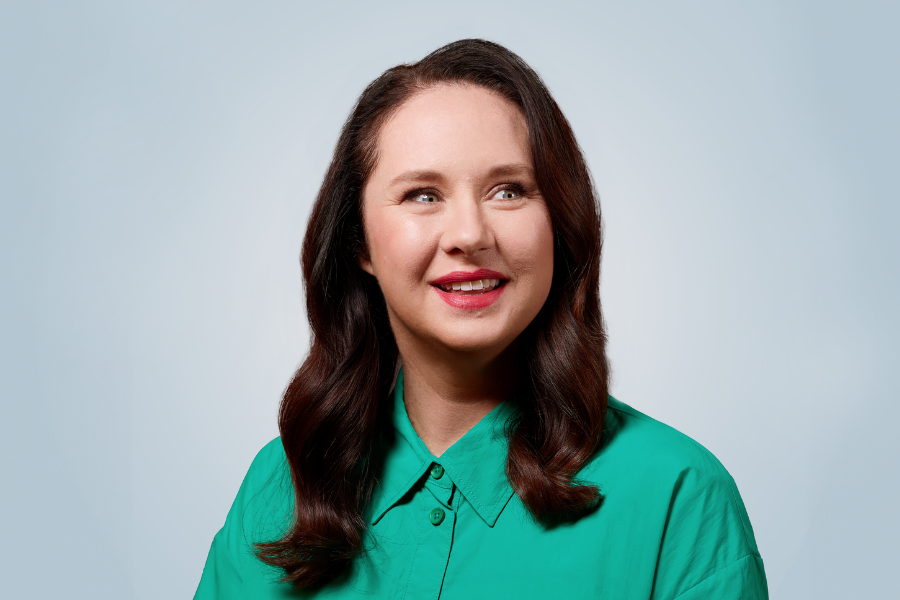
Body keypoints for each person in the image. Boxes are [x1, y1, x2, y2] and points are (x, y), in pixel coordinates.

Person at [195, 39, 768, 599]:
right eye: (422, 194)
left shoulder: (678, 499)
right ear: (359, 242)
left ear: (560, 226)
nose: (469, 234)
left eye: (509, 190)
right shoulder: (278, 488)